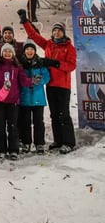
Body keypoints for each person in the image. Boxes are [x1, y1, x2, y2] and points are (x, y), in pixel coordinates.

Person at [17, 10, 77, 154]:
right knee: (54, 114)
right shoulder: (49, 44)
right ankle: (58, 140)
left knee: (64, 114)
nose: (56, 33)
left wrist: (56, 63)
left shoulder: (69, 48)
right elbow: (34, 37)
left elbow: (71, 66)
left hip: (62, 85)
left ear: (63, 32)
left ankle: (69, 142)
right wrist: (25, 21)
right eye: (54, 30)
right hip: (50, 85)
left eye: (59, 31)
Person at [0, 42, 35, 160]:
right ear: (2, 53)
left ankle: (13, 149)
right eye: (5, 51)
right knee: (0, 126)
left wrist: (32, 81)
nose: (7, 53)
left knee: (13, 126)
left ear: (13, 54)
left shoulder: (17, 66)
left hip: (13, 101)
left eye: (9, 51)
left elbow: (23, 80)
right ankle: (1, 149)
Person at [19, 39, 50, 154]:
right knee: (25, 122)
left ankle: (39, 143)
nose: (29, 51)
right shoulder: (20, 64)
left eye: (32, 49)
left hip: (38, 98)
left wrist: (40, 80)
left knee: (38, 122)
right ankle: (26, 142)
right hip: (25, 97)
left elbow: (47, 77)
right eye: (27, 49)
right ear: (24, 51)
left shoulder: (40, 63)